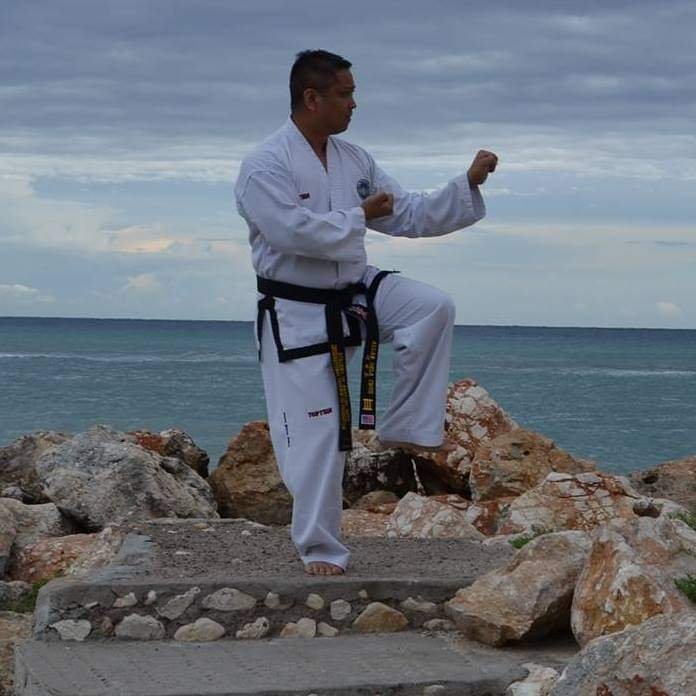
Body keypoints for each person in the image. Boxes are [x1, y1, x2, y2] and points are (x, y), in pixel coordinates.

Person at [234, 49, 497, 576]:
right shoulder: (264, 164)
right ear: (312, 98)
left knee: (431, 307)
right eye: (345, 94)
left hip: (355, 291)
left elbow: (407, 212)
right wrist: (357, 216)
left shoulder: (354, 159)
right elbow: (291, 233)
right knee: (319, 436)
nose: (354, 104)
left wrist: (465, 184)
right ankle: (320, 548)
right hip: (297, 309)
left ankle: (405, 426)